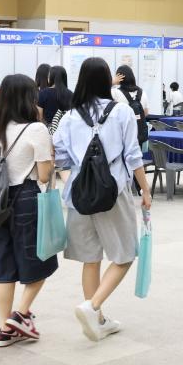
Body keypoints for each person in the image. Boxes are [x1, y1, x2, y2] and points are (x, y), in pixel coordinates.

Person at [53, 57, 152, 342]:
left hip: (79, 194)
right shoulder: (120, 111)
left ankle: (96, 319)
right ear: (107, 79)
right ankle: (92, 307)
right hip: (113, 191)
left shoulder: (71, 116)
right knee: (125, 254)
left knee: (90, 257)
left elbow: (59, 157)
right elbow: (132, 155)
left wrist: (71, 178)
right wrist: (145, 190)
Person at [0, 74, 58, 347]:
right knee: (40, 262)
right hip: (26, 198)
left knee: (4, 267)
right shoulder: (36, 129)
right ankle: (21, 314)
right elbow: (43, 174)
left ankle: (5, 328)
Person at [114, 65, 148, 146]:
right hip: (138, 135)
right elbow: (145, 113)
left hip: (120, 135)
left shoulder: (114, 93)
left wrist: (112, 82)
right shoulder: (142, 93)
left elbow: (98, 95)